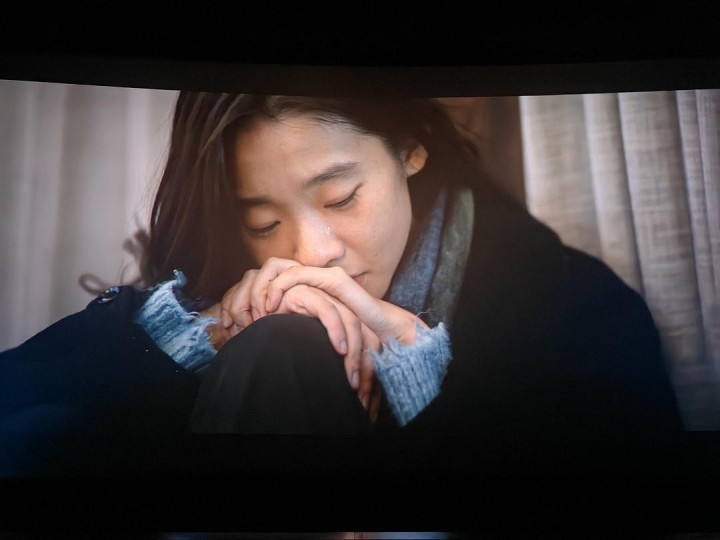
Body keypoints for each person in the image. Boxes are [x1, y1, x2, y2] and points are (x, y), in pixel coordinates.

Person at [0, 92, 683, 478]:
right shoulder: (211, 295)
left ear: (410, 147)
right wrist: (193, 341)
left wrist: (421, 382)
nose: (312, 252)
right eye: (264, 222)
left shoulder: (571, 306)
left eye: (341, 198)